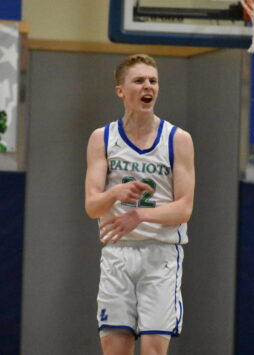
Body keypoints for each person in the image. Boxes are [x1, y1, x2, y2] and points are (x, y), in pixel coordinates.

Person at [84, 54, 195, 355]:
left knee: (153, 351)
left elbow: (184, 208)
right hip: (118, 254)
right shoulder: (102, 138)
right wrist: (114, 194)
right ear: (121, 90)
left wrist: (139, 215)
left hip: (160, 256)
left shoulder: (178, 139)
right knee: (115, 350)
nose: (148, 86)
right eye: (139, 81)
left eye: (153, 81)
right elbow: (93, 206)